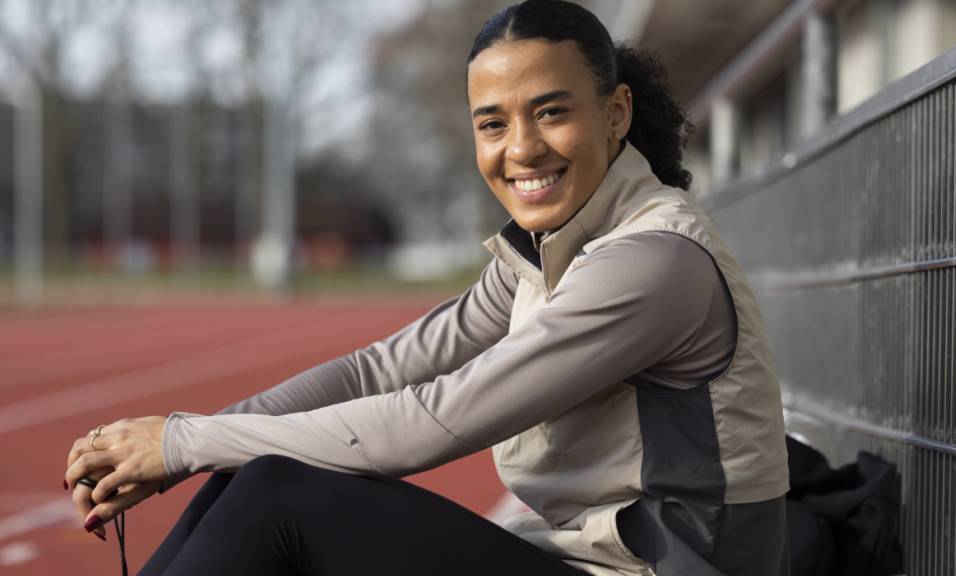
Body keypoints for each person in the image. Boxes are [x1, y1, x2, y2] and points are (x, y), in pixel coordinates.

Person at [63, 1, 790, 574]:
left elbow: (428, 423)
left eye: (552, 111)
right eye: (493, 123)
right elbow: (375, 370)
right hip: (587, 558)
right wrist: (175, 448)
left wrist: (186, 442)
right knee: (243, 472)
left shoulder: (651, 260)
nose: (522, 149)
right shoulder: (547, 253)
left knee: (274, 495)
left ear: (616, 113)